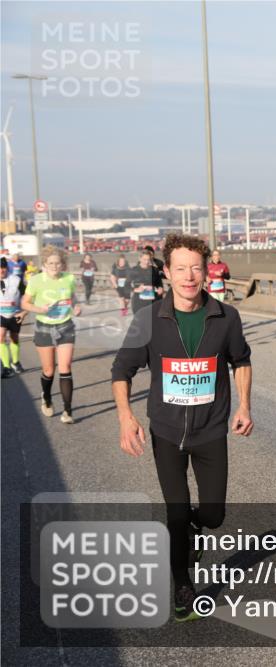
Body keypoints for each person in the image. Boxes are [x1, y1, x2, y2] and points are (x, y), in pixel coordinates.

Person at [112, 233, 253, 622]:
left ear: (206, 271)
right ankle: (183, 586)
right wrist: (126, 417)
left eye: (196, 268)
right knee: (175, 515)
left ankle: (197, 523)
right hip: (167, 433)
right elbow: (121, 370)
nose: (189, 276)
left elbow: (241, 361)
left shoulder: (227, 317)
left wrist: (244, 405)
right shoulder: (148, 319)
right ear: (167, 273)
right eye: (180, 268)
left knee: (213, 516)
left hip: (211, 432)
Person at [21, 246, 82, 423]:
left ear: (63, 264)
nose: (55, 266)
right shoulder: (36, 280)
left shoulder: (69, 278)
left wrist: (76, 306)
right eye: (51, 263)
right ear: (44, 264)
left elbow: (73, 297)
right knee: (49, 370)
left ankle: (67, 411)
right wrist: (40, 309)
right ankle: (46, 397)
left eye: (58, 263)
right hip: (44, 328)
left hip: (65, 326)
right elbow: (25, 303)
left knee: (66, 367)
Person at [0, 258, 27, 378]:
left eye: (3, 268)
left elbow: (27, 297)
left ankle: (15, 362)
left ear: (7, 268)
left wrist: (24, 312)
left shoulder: (16, 280)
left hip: (15, 313)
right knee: (1, 336)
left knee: (14, 338)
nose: (1, 270)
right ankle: (6, 367)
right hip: (1, 315)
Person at [129, 250, 164, 314]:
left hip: (153, 301)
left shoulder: (155, 270)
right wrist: (136, 289)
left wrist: (160, 288)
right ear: (140, 258)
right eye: (144, 259)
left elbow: (159, 283)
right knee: (141, 322)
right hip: (139, 303)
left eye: (148, 259)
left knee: (153, 322)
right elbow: (126, 286)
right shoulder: (134, 270)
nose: (147, 262)